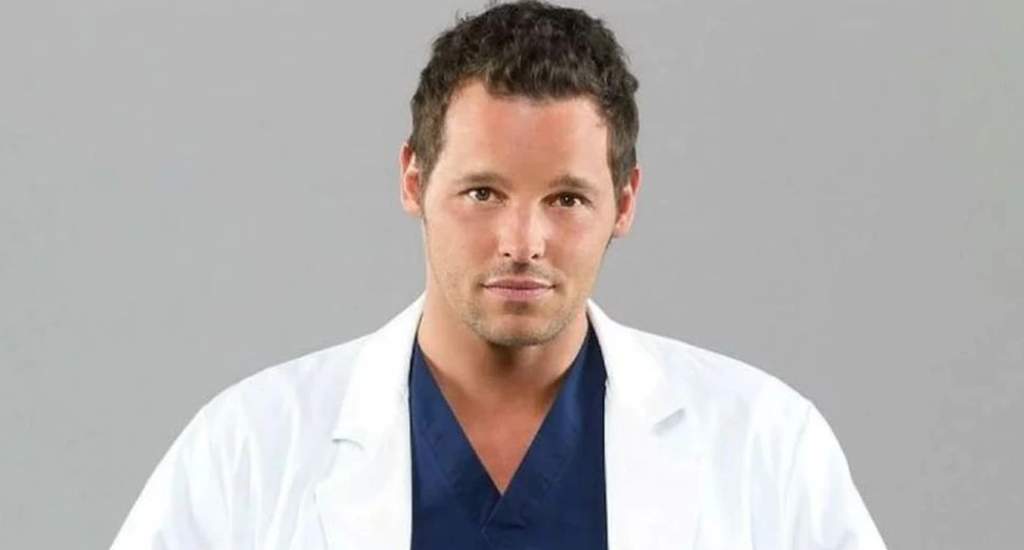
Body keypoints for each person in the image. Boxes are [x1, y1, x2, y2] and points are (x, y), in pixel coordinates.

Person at [112, 1, 887, 548]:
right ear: (413, 180)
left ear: (625, 201)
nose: (523, 242)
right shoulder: (249, 450)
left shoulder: (763, 446)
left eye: (566, 199)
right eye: (483, 193)